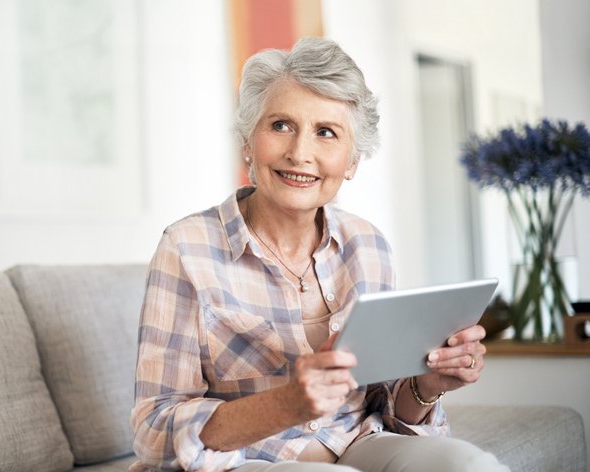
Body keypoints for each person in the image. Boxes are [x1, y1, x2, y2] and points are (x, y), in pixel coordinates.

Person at [130, 37, 508, 472]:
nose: (299, 153)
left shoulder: (368, 245)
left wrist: (428, 384)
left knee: (469, 465)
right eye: (281, 126)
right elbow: (152, 431)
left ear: (351, 161)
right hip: (250, 461)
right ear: (248, 143)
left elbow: (388, 411)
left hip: (359, 446)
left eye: (326, 132)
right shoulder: (186, 248)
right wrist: (286, 404)